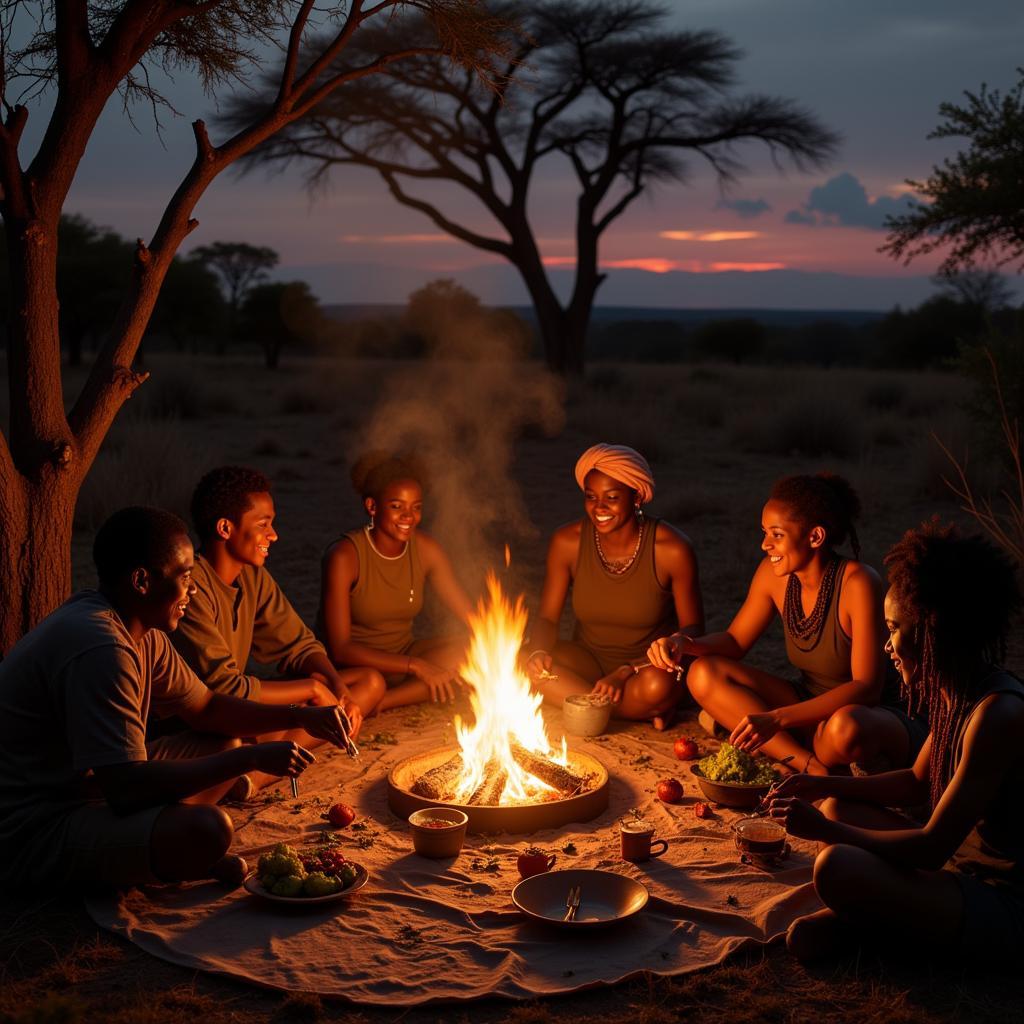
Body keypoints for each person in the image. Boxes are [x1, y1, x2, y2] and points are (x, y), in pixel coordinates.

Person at [0, 507, 352, 889]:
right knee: (209, 827)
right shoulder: (103, 648)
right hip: (33, 823)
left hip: (89, 786)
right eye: (185, 578)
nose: (193, 590)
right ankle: (174, 851)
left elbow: (209, 708)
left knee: (222, 742)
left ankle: (163, 848)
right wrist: (250, 757)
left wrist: (298, 717)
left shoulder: (140, 630)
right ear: (141, 581)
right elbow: (125, 788)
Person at [768, 520, 1024, 964]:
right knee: (838, 807)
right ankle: (885, 921)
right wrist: (826, 786)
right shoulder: (956, 691)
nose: (887, 645)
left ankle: (891, 928)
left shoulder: (997, 713)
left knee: (835, 864)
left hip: (1000, 899)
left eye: (894, 627)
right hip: (955, 869)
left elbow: (930, 848)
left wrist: (823, 832)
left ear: (932, 631)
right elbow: (914, 782)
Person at [648, 473, 921, 773]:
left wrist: (777, 718)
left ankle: (799, 745)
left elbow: (866, 687)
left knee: (844, 730)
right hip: (807, 701)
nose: (765, 545)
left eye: (777, 535)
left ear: (815, 537)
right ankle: (809, 765)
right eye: (764, 532)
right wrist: (684, 644)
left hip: (865, 712)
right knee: (702, 673)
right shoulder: (772, 576)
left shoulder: (858, 583)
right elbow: (736, 642)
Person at [171, 466, 383, 795]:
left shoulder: (252, 577)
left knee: (368, 682)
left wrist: (339, 689)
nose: (274, 535)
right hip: (204, 722)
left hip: (239, 708)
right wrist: (312, 689)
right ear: (226, 528)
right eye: (264, 524)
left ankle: (251, 777)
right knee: (247, 736)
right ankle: (254, 772)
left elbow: (300, 645)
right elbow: (224, 689)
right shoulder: (191, 588)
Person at [525, 443, 703, 730]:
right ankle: (641, 712)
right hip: (588, 663)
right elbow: (547, 618)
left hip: (647, 668)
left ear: (636, 498)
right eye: (591, 497)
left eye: (612, 498)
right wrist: (537, 653)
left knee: (660, 686)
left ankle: (590, 705)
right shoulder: (567, 543)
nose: (599, 508)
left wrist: (626, 671)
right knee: (525, 661)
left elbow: (694, 630)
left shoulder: (672, 549)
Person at [318, 451, 473, 710]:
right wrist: (418, 666)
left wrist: (504, 643)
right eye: (397, 506)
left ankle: (381, 703)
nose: (408, 516)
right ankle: (377, 697)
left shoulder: (426, 549)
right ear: (372, 506)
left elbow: (472, 616)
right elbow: (340, 649)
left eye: (416, 507)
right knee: (375, 679)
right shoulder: (345, 556)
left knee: (470, 650)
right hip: (356, 669)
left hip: (404, 655)